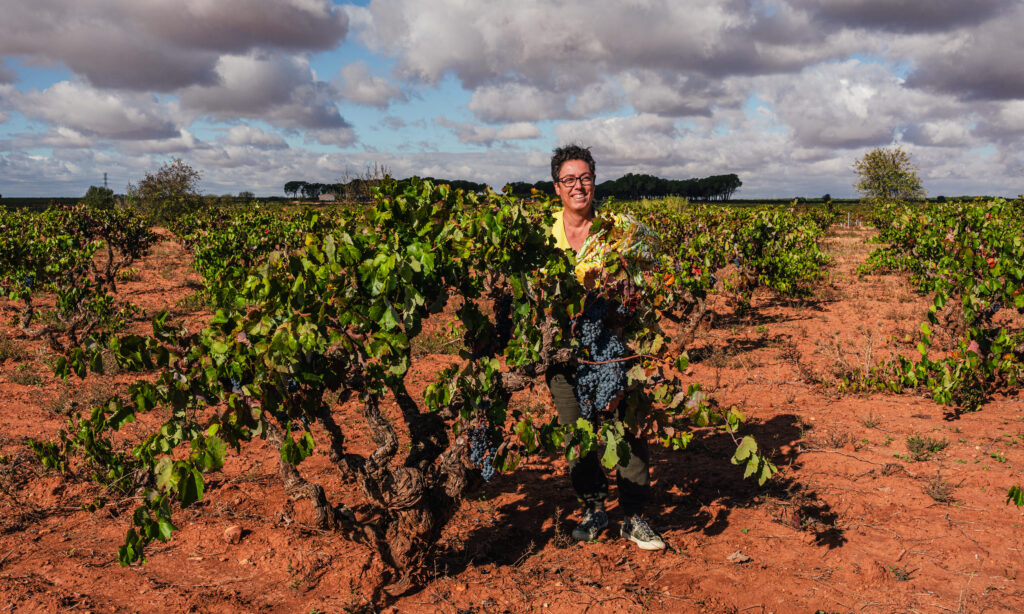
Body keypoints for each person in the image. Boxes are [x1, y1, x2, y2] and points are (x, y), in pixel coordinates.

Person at [545, 144, 665, 550]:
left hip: (613, 343)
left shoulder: (620, 230)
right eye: (569, 180)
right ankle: (593, 508)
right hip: (562, 349)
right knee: (575, 429)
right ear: (557, 187)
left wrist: (630, 300)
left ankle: (634, 516)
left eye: (585, 178)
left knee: (625, 426)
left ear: (595, 182)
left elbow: (652, 269)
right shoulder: (543, 233)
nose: (578, 186)